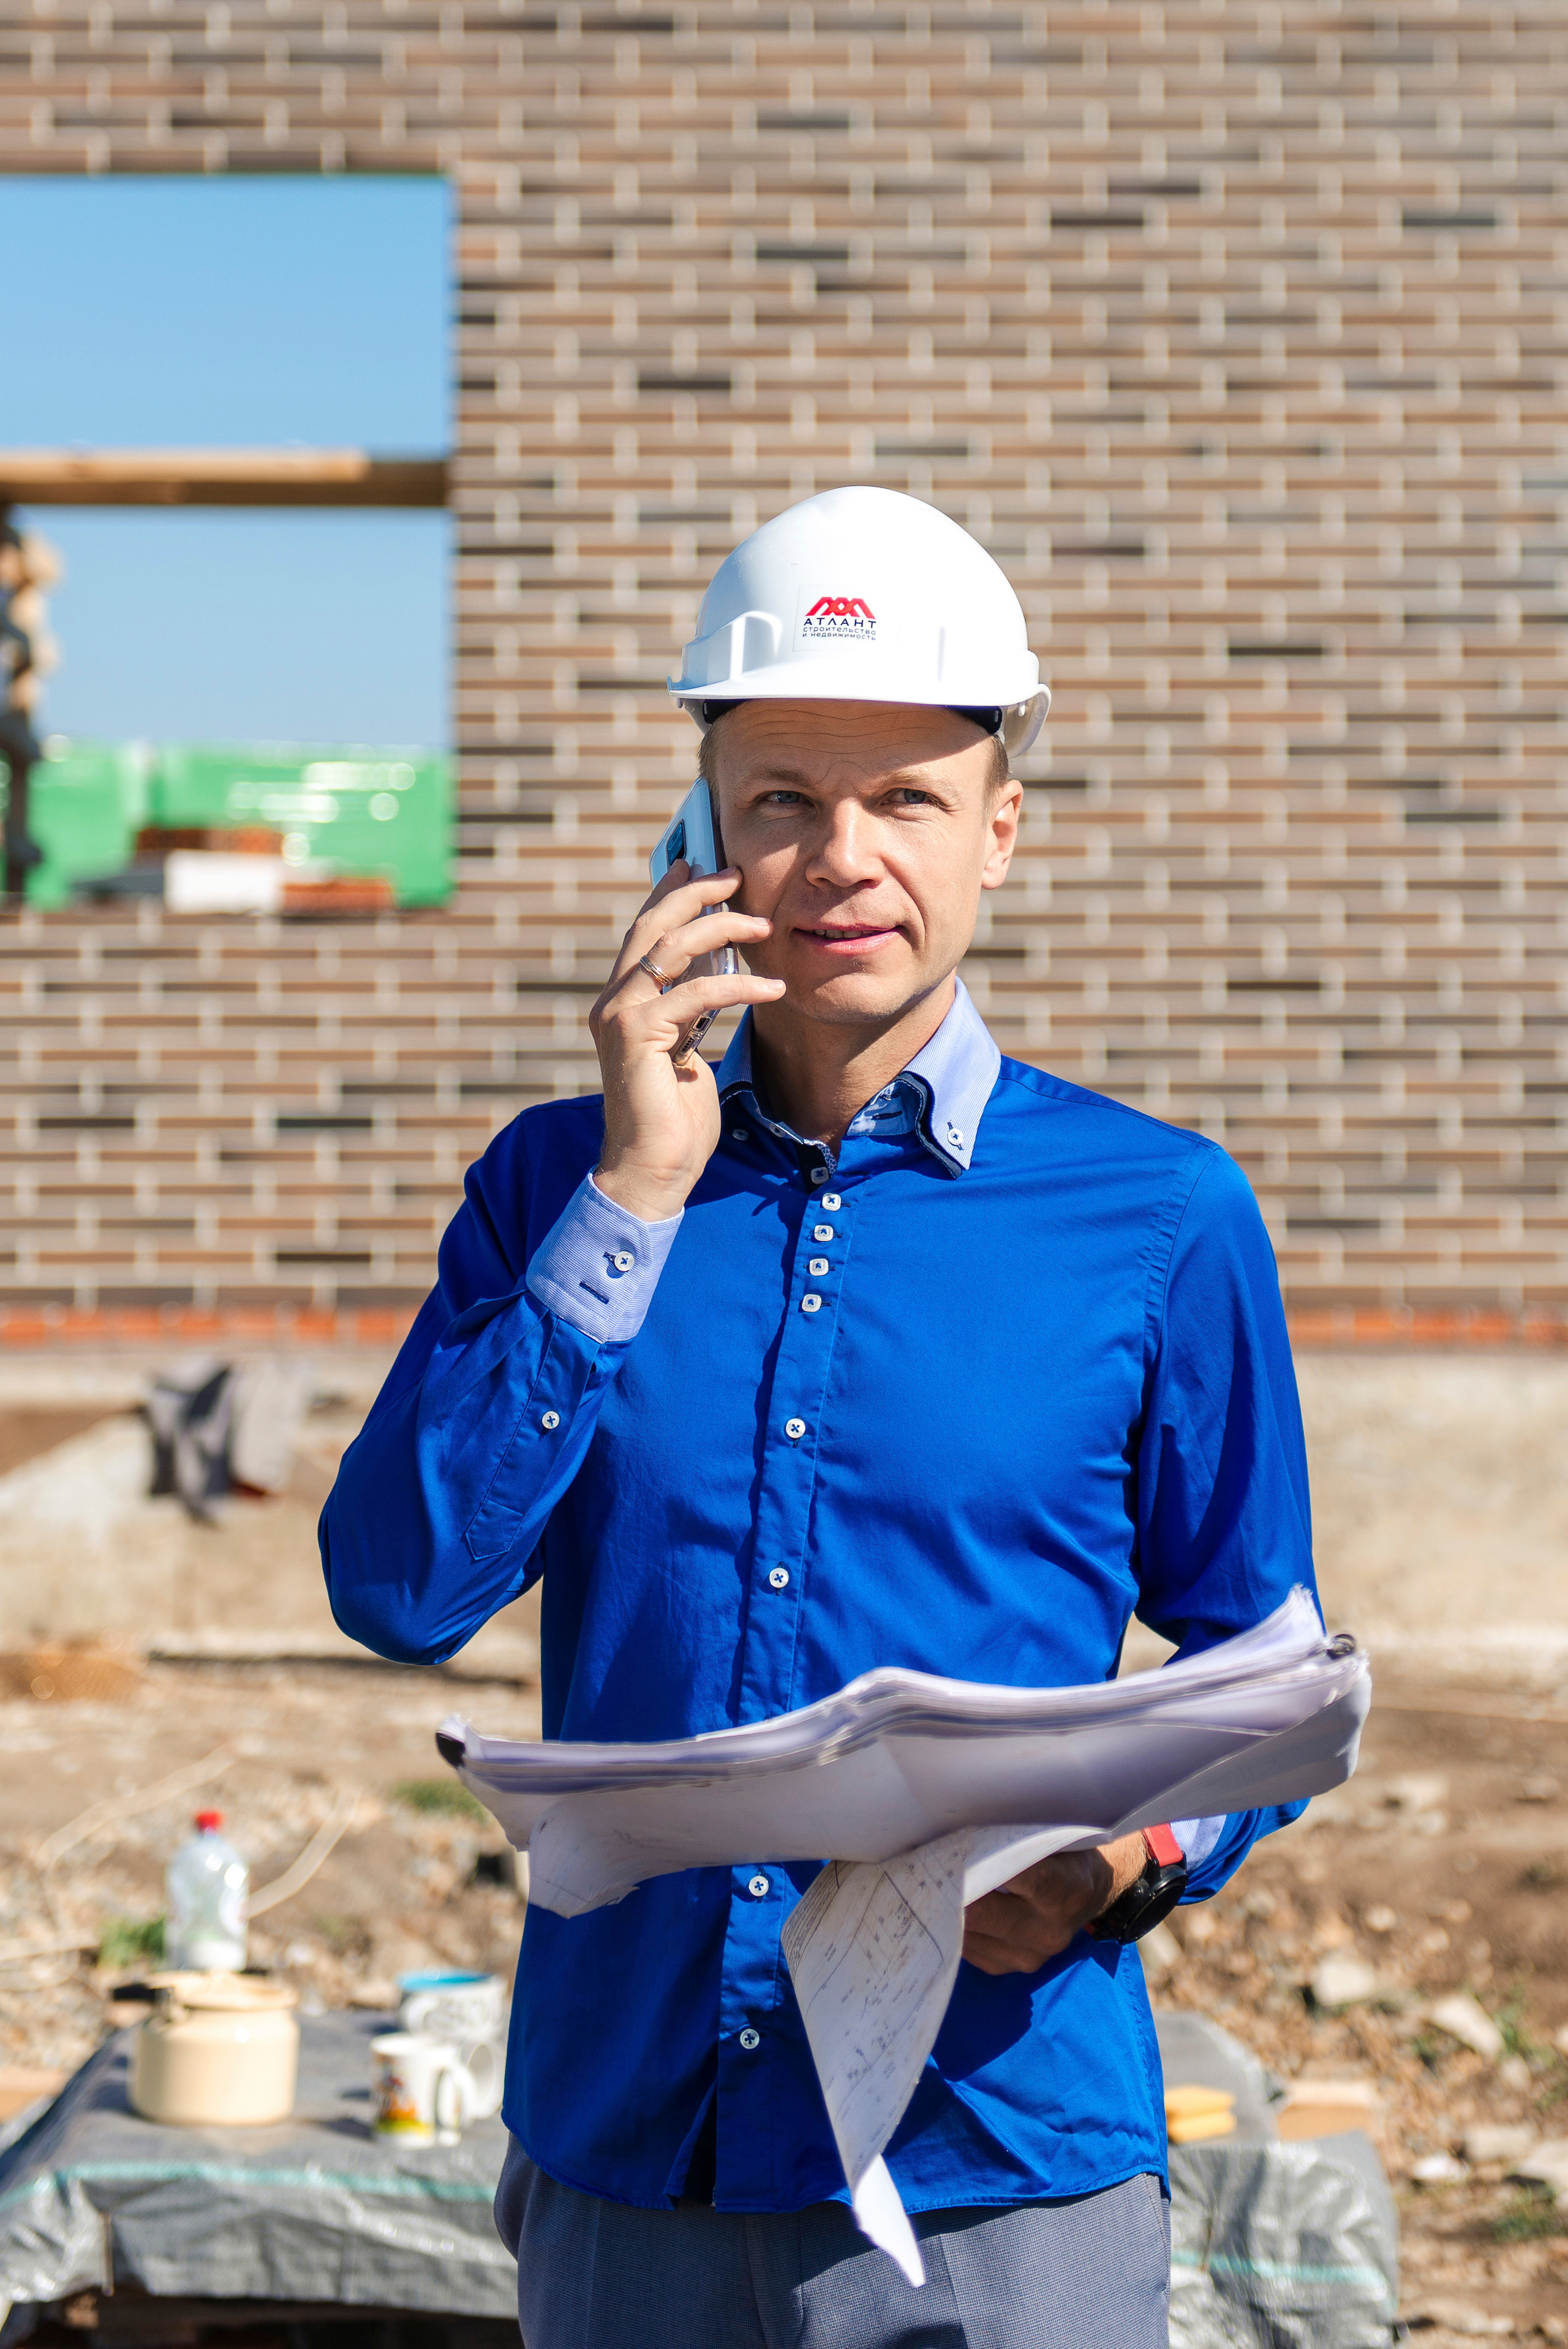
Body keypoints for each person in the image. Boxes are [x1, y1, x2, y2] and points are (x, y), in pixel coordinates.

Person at [321, 486, 1318, 2348]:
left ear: (1000, 831)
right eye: (781, 796)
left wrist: (1124, 1865)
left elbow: (1264, 1659)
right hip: (637, 2145)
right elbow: (399, 1590)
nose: (840, 858)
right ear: (701, 834)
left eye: (908, 799)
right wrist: (633, 1194)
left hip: (993, 2158)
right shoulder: (559, 1188)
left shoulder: (1164, 1217)